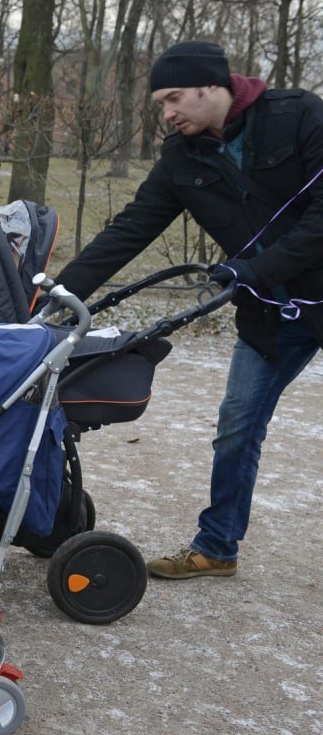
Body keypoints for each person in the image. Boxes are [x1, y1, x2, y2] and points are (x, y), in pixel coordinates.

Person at [54, 40, 323, 579]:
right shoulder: (184, 157)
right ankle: (217, 548)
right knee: (237, 424)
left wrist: (256, 270)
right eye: (161, 103)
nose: (168, 113)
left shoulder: (299, 117)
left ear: (213, 86)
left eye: (175, 98)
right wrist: (57, 294)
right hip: (273, 314)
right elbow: (130, 229)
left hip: (285, 285)